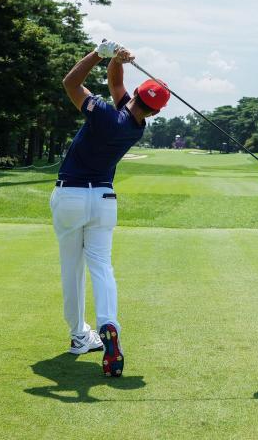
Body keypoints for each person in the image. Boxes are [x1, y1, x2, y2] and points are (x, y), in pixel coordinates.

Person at [53, 40, 167, 378]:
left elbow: (70, 83)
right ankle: (108, 326)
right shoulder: (136, 125)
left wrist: (98, 54)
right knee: (101, 267)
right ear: (154, 111)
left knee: (72, 269)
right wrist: (117, 60)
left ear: (136, 94)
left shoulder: (105, 113)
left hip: (71, 196)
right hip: (103, 200)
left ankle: (79, 336)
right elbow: (116, 83)